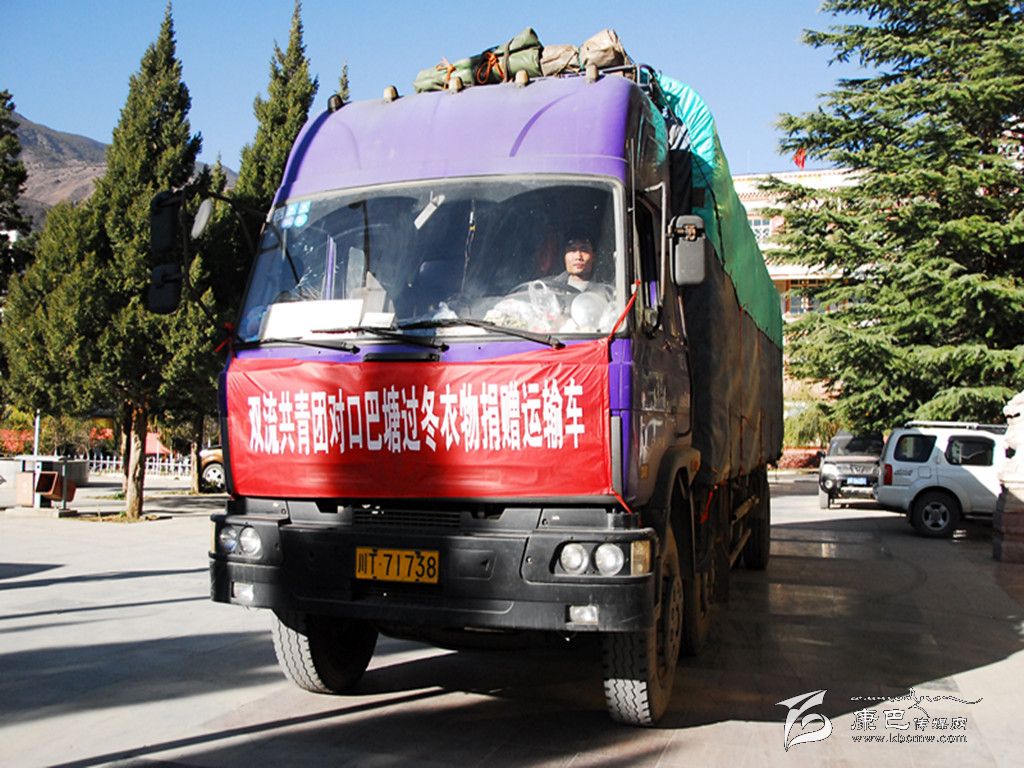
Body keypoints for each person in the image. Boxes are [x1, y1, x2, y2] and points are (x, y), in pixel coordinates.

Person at [544, 232, 609, 295]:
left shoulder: (606, 292)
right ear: (564, 256)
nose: (578, 257)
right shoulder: (548, 287)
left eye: (584, 250)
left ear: (593, 256)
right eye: (572, 250)